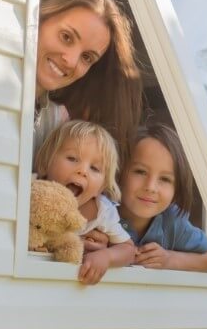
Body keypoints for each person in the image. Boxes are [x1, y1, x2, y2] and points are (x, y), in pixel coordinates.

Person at [33, 0, 142, 164]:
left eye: (87, 57)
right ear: (41, 19)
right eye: (66, 37)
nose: (71, 61)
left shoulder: (55, 123)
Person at [34, 120, 135, 285]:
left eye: (94, 168)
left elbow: (129, 250)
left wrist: (106, 257)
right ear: (46, 163)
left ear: (100, 188)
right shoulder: (33, 193)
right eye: (73, 158)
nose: (83, 171)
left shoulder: (101, 211)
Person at [117, 123, 207, 273]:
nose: (151, 187)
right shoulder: (101, 211)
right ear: (119, 171)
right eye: (140, 171)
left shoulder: (172, 222)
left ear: (177, 188)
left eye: (165, 179)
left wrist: (169, 259)